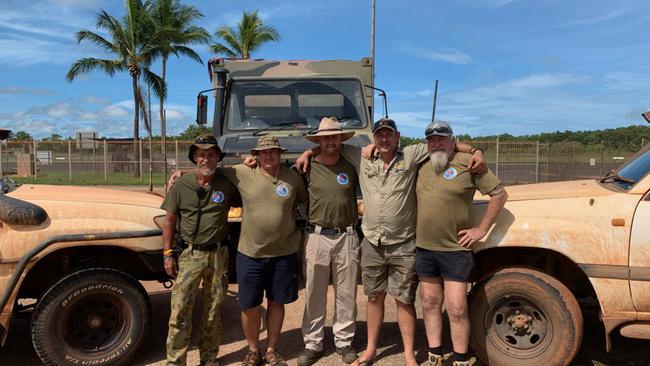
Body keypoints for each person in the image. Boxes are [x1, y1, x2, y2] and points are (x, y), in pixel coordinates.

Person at [296, 118, 486, 366]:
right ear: (374, 138)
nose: (384, 139)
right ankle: (368, 349)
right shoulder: (360, 156)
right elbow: (328, 146)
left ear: (398, 137)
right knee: (371, 297)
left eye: (388, 135)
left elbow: (444, 143)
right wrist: (307, 152)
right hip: (371, 242)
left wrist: (475, 151)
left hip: (402, 243)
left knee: (403, 299)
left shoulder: (411, 154)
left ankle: (407, 355)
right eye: (379, 135)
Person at [168, 135, 308, 366]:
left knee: (276, 302)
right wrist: (181, 172)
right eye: (264, 152)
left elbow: (303, 201)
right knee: (249, 304)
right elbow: (207, 168)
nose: (269, 155)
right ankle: (253, 350)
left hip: (283, 253)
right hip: (250, 253)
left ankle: (271, 349)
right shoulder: (241, 173)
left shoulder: (292, 177)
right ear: (257, 155)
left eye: (273, 151)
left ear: (280, 153)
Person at [415, 121, 507, 366]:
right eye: (432, 140)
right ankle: (435, 354)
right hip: (425, 248)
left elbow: (499, 194)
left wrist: (482, 229)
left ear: (452, 141)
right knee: (430, 302)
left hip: (455, 250)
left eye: (442, 139)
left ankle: (460, 359)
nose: (437, 143)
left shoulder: (469, 163)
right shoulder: (420, 163)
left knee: (456, 307)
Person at [162, 134, 239, 366]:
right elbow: (169, 221)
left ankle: (209, 357)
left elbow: (243, 170)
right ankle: (175, 361)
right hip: (189, 255)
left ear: (218, 157)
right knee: (180, 310)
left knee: (213, 309)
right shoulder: (181, 185)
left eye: (211, 154)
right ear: (195, 157)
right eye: (201, 154)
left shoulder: (226, 183)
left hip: (218, 255)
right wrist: (167, 254)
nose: (206, 158)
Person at [296, 117, 361, 366]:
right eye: (325, 137)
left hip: (347, 236)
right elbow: (279, 178)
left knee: (346, 293)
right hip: (316, 236)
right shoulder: (307, 165)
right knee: (314, 291)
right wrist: (251, 162)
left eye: (334, 137)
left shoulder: (352, 163)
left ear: (340, 139)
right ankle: (313, 343)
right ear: (319, 140)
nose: (330, 141)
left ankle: (344, 342)